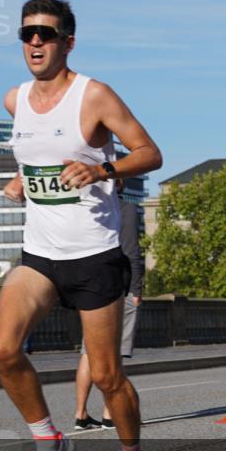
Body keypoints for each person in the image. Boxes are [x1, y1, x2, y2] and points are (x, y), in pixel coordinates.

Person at [0, 0, 162, 451]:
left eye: (45, 34)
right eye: (27, 35)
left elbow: (150, 152)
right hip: (40, 255)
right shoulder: (13, 100)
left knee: (108, 377)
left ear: (67, 41)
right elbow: (39, 160)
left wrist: (102, 170)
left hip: (95, 256)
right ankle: (49, 439)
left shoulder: (94, 96)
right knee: (2, 348)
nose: (35, 43)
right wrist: (22, 179)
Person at [74, 179, 144, 430]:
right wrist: (136, 288)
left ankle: (80, 414)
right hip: (117, 287)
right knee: (114, 353)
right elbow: (130, 250)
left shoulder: (84, 208)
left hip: (89, 286)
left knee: (87, 352)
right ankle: (109, 414)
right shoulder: (123, 209)